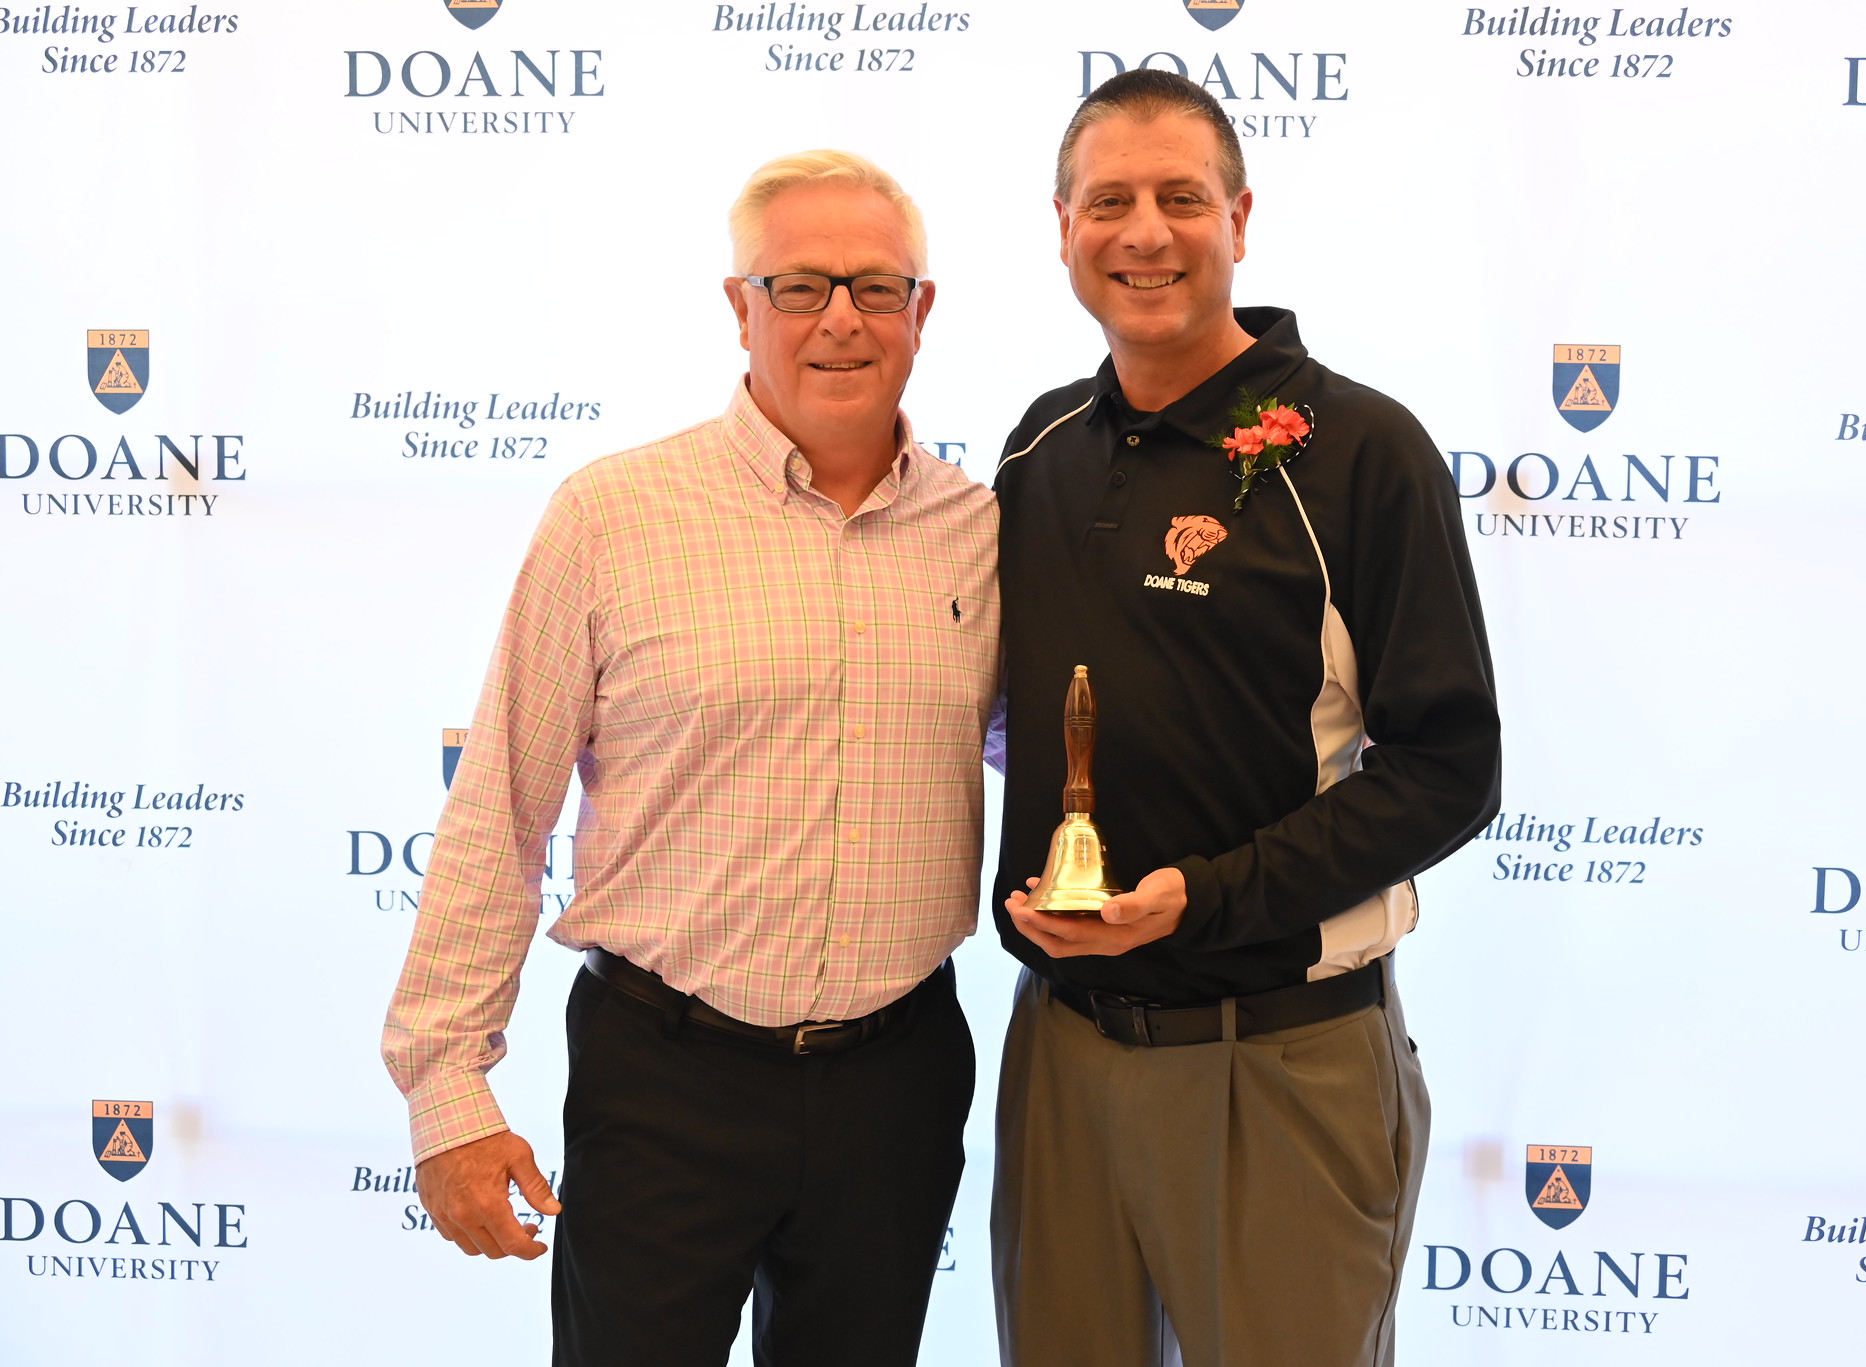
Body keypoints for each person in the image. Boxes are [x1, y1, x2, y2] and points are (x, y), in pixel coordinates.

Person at [381, 149, 998, 1367]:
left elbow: (1061, 755)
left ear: (922, 312)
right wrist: (446, 1083)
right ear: (739, 307)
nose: (840, 320)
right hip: (667, 1080)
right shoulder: (611, 514)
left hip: (901, 1076)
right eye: (800, 285)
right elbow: (501, 802)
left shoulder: (980, 531)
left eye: (877, 288)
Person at [987, 71, 1502, 1367]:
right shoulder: (1036, 450)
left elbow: (1450, 768)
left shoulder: (1360, 451)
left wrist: (1205, 896)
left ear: (1241, 217)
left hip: (1280, 1055)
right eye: (1109, 201)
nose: (1145, 232)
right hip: (1062, 1049)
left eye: (1181, 198)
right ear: (1061, 227)